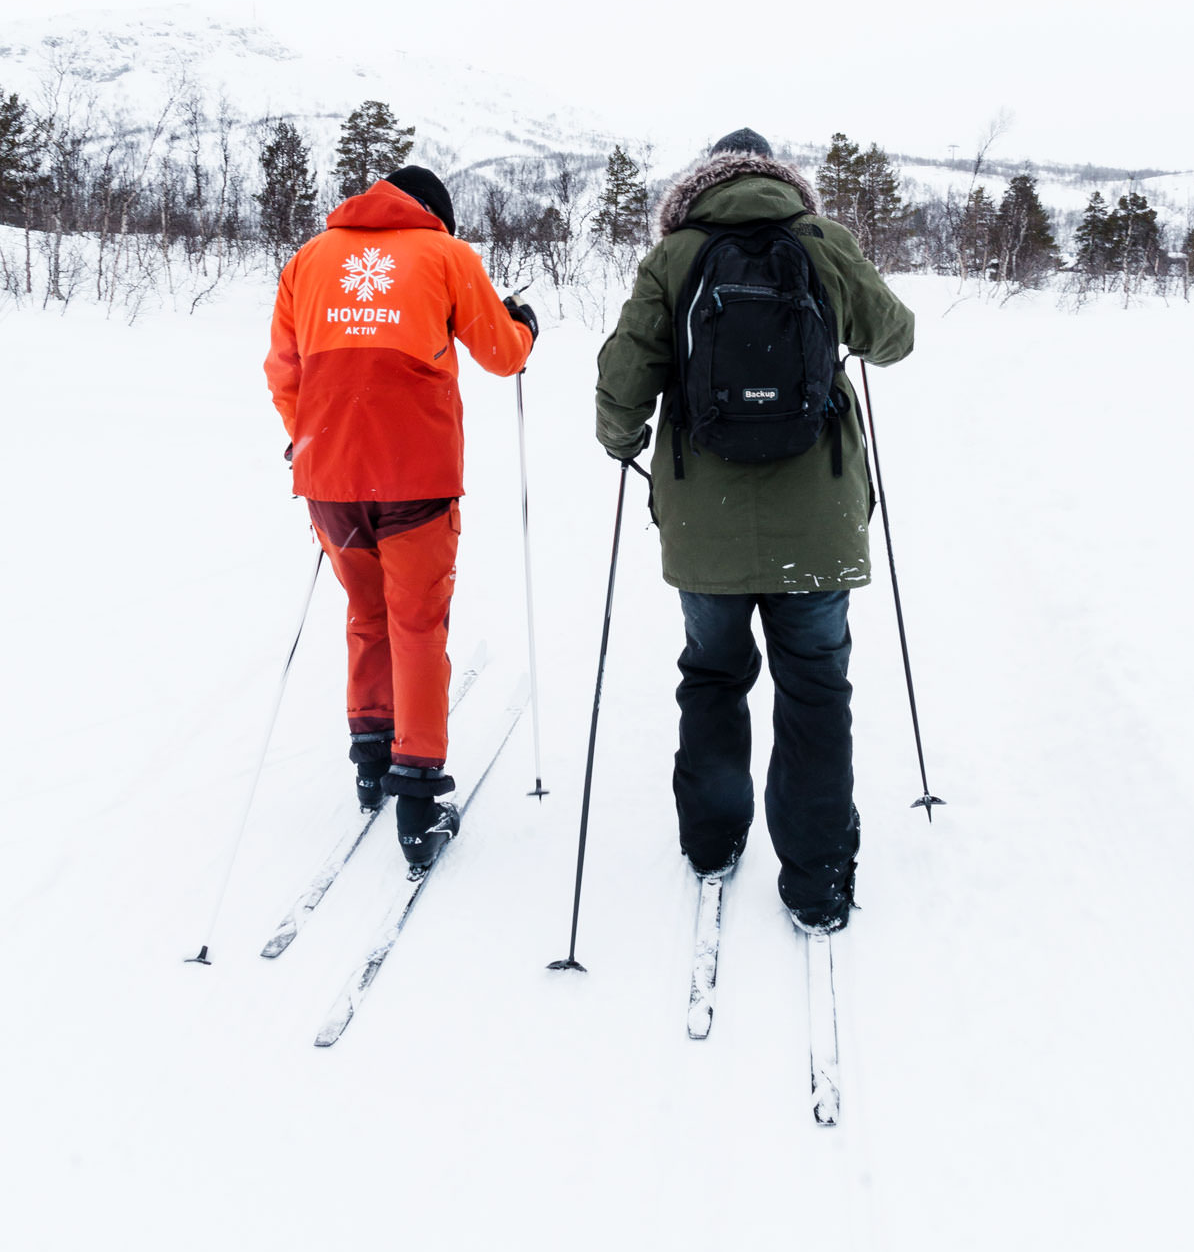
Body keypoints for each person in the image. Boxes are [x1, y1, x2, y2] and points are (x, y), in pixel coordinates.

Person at [595, 128, 914, 930]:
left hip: (706, 525)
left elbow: (623, 377)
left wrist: (622, 439)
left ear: (699, 183)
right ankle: (816, 879)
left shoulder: (674, 257)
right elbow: (896, 336)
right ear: (781, 178)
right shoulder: (823, 242)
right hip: (820, 520)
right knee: (813, 685)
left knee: (713, 674)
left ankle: (710, 841)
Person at [265, 166, 536, 872]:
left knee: (365, 610)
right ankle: (418, 799)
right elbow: (502, 355)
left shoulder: (307, 260)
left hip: (329, 478)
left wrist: (311, 434)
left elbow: (284, 371)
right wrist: (524, 325)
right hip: (416, 478)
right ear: (434, 214)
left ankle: (368, 758)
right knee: (417, 625)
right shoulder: (448, 256)